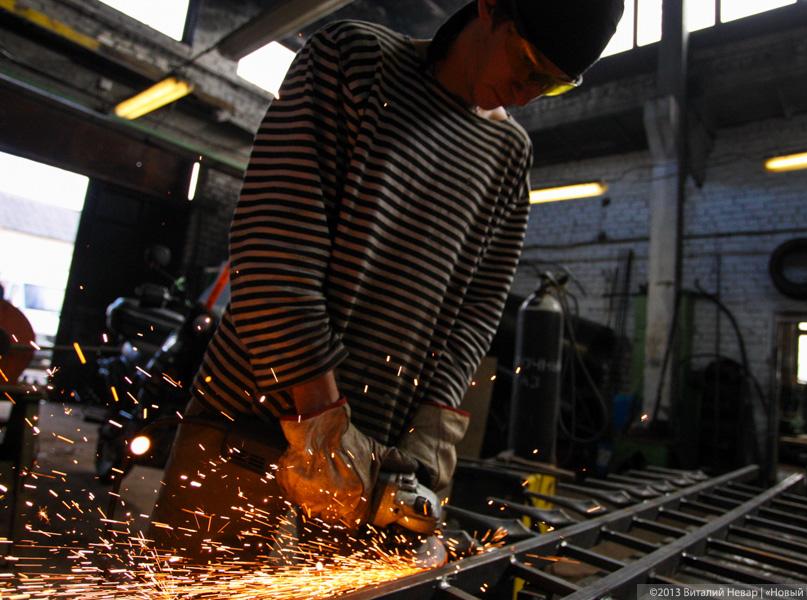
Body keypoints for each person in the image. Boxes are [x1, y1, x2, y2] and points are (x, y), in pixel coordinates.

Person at [148, 0, 624, 562]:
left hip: (375, 462)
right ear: (490, 7)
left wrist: (432, 435)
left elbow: (476, 314)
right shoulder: (354, 62)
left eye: (552, 85)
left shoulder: (508, 155)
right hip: (253, 425)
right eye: (527, 64)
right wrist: (321, 424)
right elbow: (275, 248)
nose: (526, 93)